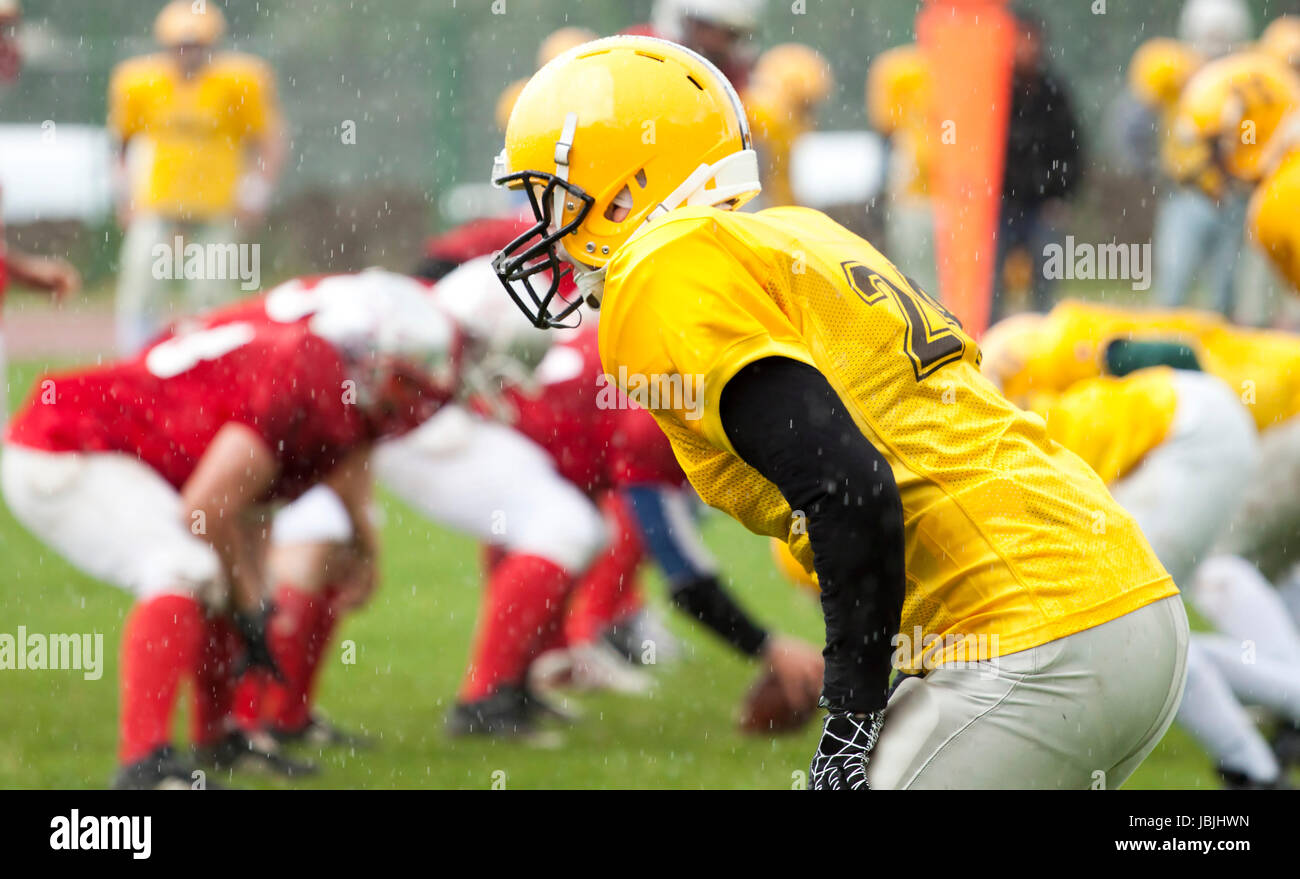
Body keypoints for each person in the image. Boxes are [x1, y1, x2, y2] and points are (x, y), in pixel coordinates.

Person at [489, 34, 1187, 789]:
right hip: (1121, 597)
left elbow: (848, 485)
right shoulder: (796, 232)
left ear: (624, 187)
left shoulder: (663, 269)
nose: (540, 222)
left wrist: (850, 714)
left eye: (551, 193)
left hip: (1026, 630)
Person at [2, 274, 454, 788]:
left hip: (103, 447)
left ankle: (220, 740)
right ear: (366, 357)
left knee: (222, 580)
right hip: (66, 445)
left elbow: (249, 505)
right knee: (183, 568)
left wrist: (252, 595)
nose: (414, 400)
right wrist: (248, 601)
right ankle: (143, 765)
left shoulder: (319, 381)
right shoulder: (307, 380)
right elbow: (205, 510)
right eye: (406, 380)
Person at [108, 0, 285, 353]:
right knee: (141, 279)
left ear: (212, 45)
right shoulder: (140, 82)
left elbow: (269, 141)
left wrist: (256, 193)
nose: (187, 54)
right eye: (181, 46)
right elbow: (120, 145)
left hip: (217, 203)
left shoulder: (240, 82)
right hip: (157, 201)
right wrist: (123, 196)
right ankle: (134, 360)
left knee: (210, 290)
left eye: (196, 45)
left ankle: (207, 361)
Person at [992, 9, 1083, 319]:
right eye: (1020, 40)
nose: (1026, 48)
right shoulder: (993, 91)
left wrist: (1060, 196)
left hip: (1041, 205)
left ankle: (1041, 346)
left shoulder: (1053, 93)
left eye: (1032, 40)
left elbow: (1071, 149)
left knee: (1045, 286)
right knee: (990, 286)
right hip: (1000, 205)